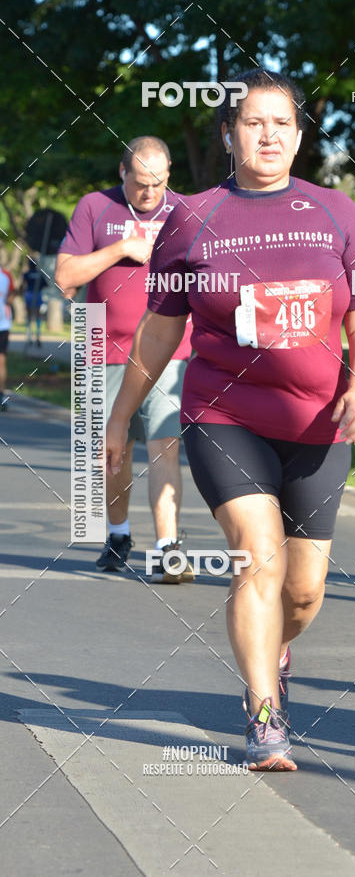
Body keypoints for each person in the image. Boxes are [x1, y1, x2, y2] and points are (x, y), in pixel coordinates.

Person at [105, 69, 355, 770]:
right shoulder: (192, 218)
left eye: (281, 123)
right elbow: (159, 330)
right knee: (257, 558)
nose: (268, 135)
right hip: (224, 414)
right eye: (253, 122)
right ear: (230, 134)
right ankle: (264, 715)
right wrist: (119, 422)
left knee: (304, 588)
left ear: (298, 134)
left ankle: (277, 647)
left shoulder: (335, 211)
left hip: (320, 425)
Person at [55, 137, 194, 582]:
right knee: (113, 453)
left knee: (163, 446)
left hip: (170, 352)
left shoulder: (186, 212)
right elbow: (65, 277)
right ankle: (118, 533)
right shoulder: (94, 207)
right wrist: (119, 249)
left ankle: (168, 548)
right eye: (139, 184)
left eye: (156, 183)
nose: (148, 194)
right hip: (102, 347)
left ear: (169, 173)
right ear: (122, 172)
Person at [0, 265, 15, 410]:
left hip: (2, 324)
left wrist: (10, 299)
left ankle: (1, 395)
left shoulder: (6, 275)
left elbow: (12, 293)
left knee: (1, 360)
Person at [22, 259, 45, 347]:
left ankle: (29, 337)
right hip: (37, 294)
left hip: (29, 295)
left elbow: (23, 285)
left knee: (29, 316)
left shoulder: (26, 274)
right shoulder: (40, 274)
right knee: (38, 316)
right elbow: (45, 285)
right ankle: (38, 336)